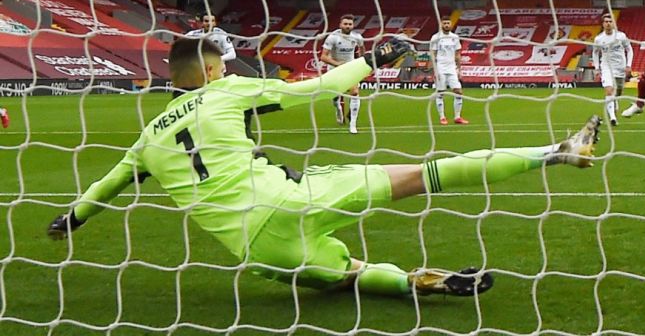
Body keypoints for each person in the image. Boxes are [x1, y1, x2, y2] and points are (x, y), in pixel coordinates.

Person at [47, 36, 600, 298]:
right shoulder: (228, 90)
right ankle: (557, 152)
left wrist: (69, 220)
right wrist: (375, 58)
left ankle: (413, 281)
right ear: (213, 69)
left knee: (349, 275)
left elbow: (105, 187)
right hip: (292, 198)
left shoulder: (146, 139)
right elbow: (322, 86)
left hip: (258, 253)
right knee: (430, 172)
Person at [320, 15, 365, 133]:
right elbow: (323, 57)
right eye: (345, 24)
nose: (347, 26)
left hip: (350, 68)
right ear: (340, 25)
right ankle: (338, 108)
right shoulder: (333, 37)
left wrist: (361, 62)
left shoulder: (357, 37)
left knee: (355, 93)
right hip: (334, 69)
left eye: (350, 24)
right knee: (335, 96)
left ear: (353, 25)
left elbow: (362, 50)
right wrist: (337, 64)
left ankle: (353, 125)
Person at [592, 13, 633, 126]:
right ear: (603, 24)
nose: (608, 24)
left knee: (618, 91)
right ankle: (613, 117)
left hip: (620, 67)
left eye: (610, 21)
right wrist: (597, 68)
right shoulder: (599, 39)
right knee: (609, 90)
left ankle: (615, 101)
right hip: (606, 67)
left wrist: (628, 65)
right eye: (606, 22)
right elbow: (595, 53)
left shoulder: (621, 36)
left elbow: (629, 50)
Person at [428, 17, 468, 125]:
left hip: (452, 68)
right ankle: (442, 117)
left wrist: (459, 68)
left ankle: (457, 117)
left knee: (459, 92)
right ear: (441, 24)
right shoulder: (436, 37)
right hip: (440, 68)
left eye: (448, 23)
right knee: (440, 93)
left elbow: (457, 54)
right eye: (444, 23)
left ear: (451, 24)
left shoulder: (454, 37)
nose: (446, 25)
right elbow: (433, 54)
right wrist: (434, 70)